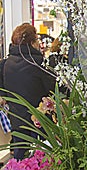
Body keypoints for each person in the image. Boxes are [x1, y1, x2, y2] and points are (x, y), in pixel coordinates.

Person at [0, 23, 56, 160]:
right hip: (40, 122)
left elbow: (4, 92)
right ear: (32, 43)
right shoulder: (39, 64)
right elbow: (52, 90)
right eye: (37, 40)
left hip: (17, 121)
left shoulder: (5, 64)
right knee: (44, 159)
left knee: (20, 161)